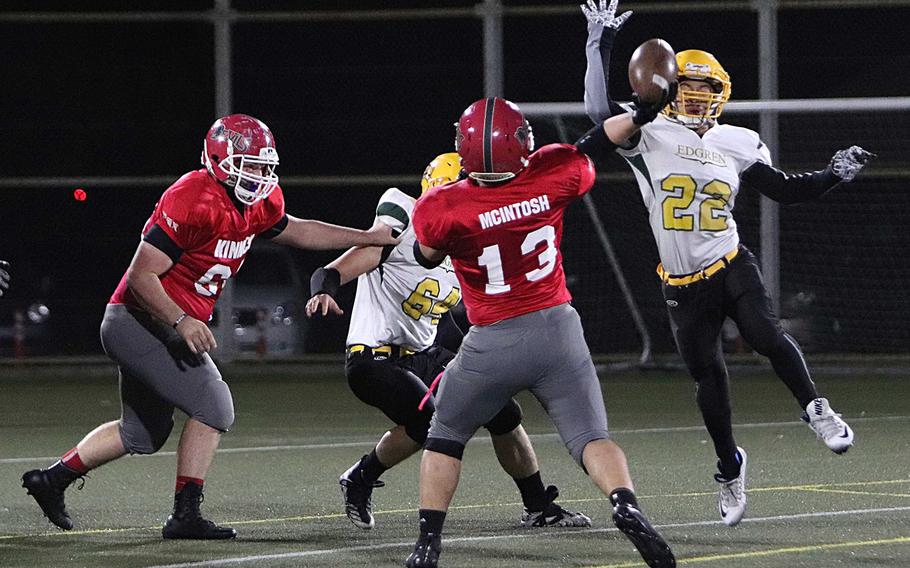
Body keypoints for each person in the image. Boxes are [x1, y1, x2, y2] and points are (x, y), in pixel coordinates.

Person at [21, 114, 398, 539]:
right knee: (215, 407)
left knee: (142, 433)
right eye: (249, 165)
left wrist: (365, 237)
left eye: (262, 166)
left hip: (155, 323)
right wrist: (182, 321)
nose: (257, 175)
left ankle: (51, 480)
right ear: (220, 158)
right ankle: (185, 516)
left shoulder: (259, 203)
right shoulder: (192, 197)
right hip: (139, 320)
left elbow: (298, 230)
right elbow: (142, 276)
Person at [580, 0, 872, 527]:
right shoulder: (648, 133)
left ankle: (816, 409)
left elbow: (782, 189)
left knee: (764, 331)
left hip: (730, 259)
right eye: (686, 87)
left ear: (720, 97)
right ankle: (730, 467)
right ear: (667, 90)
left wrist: (830, 174)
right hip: (680, 283)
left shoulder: (735, 142)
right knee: (709, 383)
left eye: (705, 90)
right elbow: (598, 112)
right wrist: (597, 42)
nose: (695, 98)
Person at [404, 97, 677, 568]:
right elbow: (594, 143)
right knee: (592, 436)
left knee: (446, 435)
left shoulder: (441, 205)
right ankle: (624, 504)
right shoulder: (553, 172)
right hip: (557, 330)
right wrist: (639, 112)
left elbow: (426, 256)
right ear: (521, 143)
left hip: (492, 338)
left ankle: (428, 543)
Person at [306, 153, 591, 531]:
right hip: (373, 358)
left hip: (424, 353)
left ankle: (539, 506)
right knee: (427, 421)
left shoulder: (469, 249)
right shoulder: (400, 223)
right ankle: (361, 476)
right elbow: (336, 268)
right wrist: (324, 289)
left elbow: (449, 322)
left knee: (504, 413)